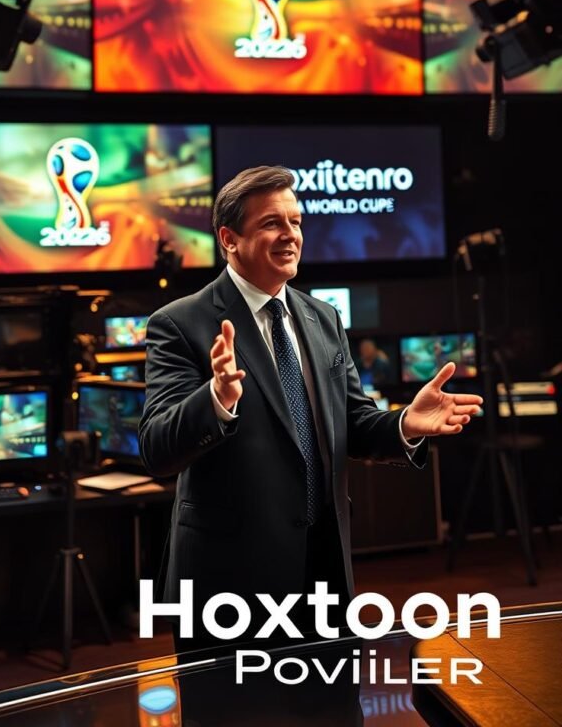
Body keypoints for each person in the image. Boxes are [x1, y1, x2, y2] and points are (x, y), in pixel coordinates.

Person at [139, 166, 482, 646]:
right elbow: (157, 447)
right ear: (228, 238)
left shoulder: (322, 317)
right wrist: (216, 400)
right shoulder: (179, 323)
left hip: (324, 575)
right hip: (229, 585)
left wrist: (406, 423)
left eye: (296, 222)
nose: (290, 235)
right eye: (271, 224)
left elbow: (353, 422)